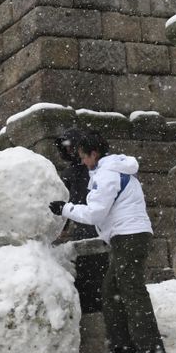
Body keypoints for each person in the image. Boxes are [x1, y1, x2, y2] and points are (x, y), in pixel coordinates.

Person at [50, 129, 169, 353]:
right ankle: (124, 346)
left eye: (84, 156)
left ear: (94, 154)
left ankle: (152, 351)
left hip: (130, 236)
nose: (82, 161)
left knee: (131, 291)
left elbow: (95, 212)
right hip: (124, 236)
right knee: (111, 291)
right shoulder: (109, 171)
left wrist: (65, 209)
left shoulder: (108, 174)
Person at [53, 129, 111, 315]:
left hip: (93, 224)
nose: (70, 153)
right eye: (66, 149)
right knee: (91, 274)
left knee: (95, 273)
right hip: (87, 225)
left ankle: (97, 309)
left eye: (72, 149)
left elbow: (66, 202)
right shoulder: (76, 172)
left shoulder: (94, 170)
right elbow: (66, 202)